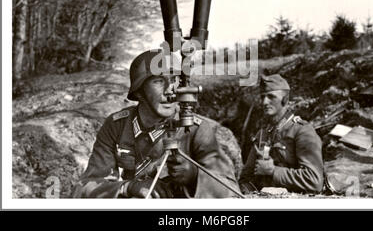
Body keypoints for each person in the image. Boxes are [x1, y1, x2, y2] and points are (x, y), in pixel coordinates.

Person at [72, 49, 240, 198]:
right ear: (138, 92)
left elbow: (231, 190)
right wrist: (128, 187)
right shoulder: (117, 125)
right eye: (158, 81)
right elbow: (84, 188)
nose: (170, 90)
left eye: (174, 79)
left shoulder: (194, 128)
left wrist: (194, 177)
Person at [239, 74, 324, 194]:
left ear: (285, 99)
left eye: (271, 97)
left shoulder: (303, 131)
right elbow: (245, 178)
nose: (264, 102)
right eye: (262, 97)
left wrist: (273, 171)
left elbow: (314, 181)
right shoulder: (262, 134)